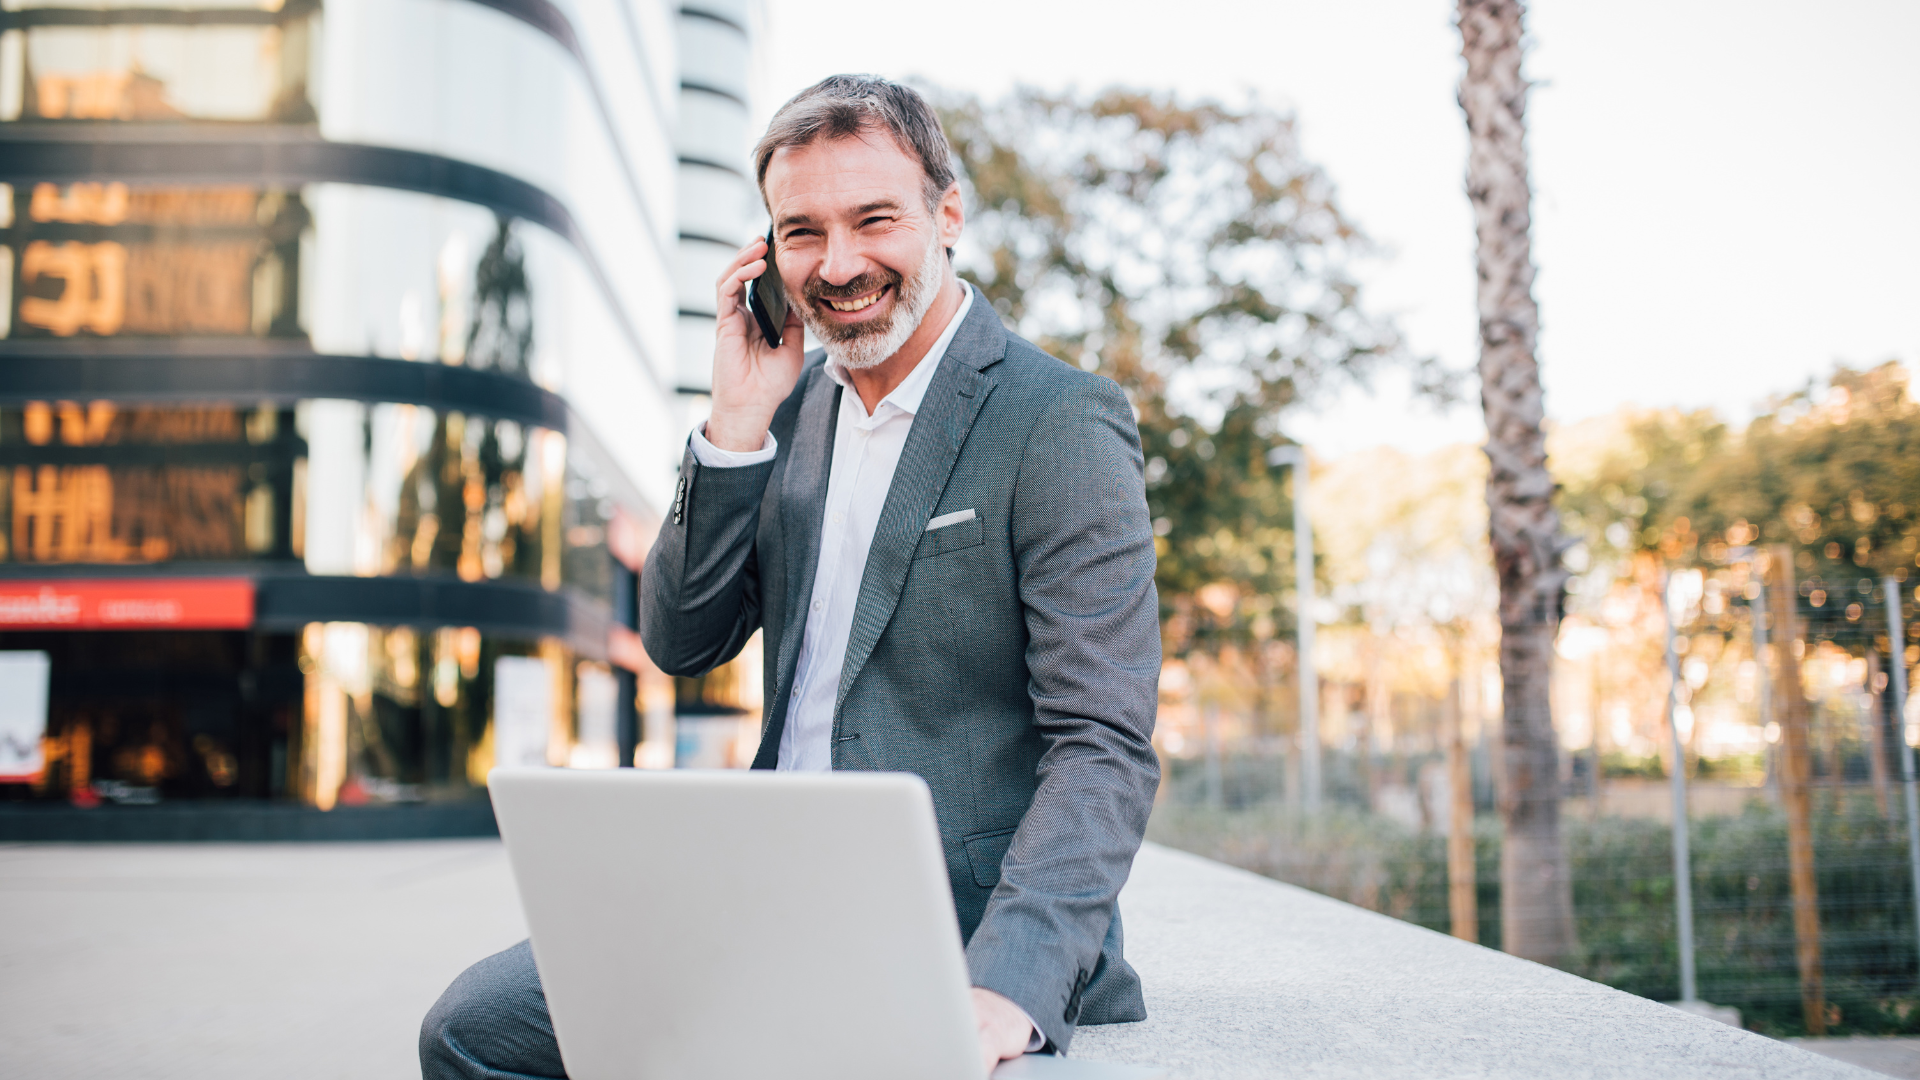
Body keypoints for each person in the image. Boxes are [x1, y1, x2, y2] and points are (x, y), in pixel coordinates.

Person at [420, 74, 1160, 1079]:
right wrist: (733, 428)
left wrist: (1008, 988)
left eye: (874, 220)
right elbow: (681, 644)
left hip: (962, 923)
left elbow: (1102, 744)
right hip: (764, 890)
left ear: (947, 216)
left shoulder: (1058, 420)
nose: (841, 264)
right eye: (803, 231)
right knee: (471, 1030)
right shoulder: (789, 415)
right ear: (768, 252)